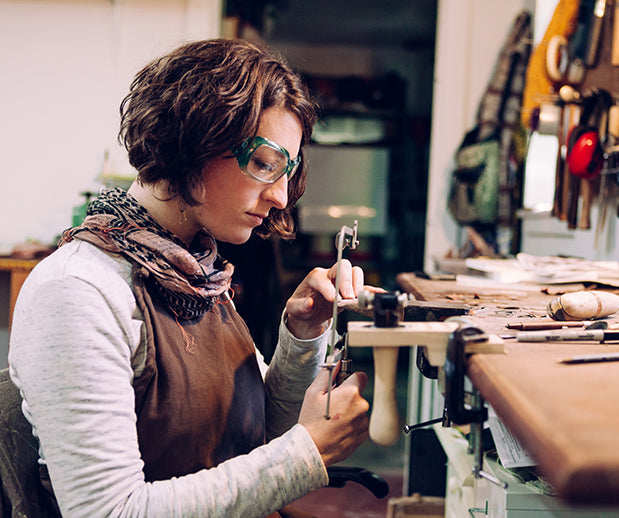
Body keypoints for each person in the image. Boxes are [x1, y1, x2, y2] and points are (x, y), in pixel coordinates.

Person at [9, 38, 374, 517]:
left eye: (289, 169)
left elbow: (257, 436)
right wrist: (307, 456)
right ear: (194, 140)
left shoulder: (195, 272)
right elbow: (110, 512)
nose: (282, 197)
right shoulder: (77, 292)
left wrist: (301, 336)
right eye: (264, 163)